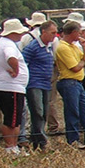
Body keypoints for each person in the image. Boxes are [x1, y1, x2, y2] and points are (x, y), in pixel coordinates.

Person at [54, 20, 85, 147]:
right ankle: (73, 140)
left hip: (77, 82)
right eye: (79, 32)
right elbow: (75, 67)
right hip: (68, 82)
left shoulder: (74, 46)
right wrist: (82, 62)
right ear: (73, 32)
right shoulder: (63, 47)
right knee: (73, 112)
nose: (80, 35)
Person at [0, 19, 30, 156]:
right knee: (12, 120)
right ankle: (10, 147)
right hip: (11, 87)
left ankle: (13, 146)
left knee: (14, 119)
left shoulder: (1, 43)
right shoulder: (8, 45)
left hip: (8, 87)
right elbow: (11, 57)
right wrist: (16, 71)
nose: (21, 35)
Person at [23, 19, 59, 149]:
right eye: (52, 32)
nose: (55, 35)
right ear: (43, 32)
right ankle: (41, 140)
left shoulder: (48, 47)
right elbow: (23, 62)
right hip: (34, 83)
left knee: (44, 112)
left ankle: (36, 138)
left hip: (45, 83)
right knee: (37, 111)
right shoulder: (32, 47)